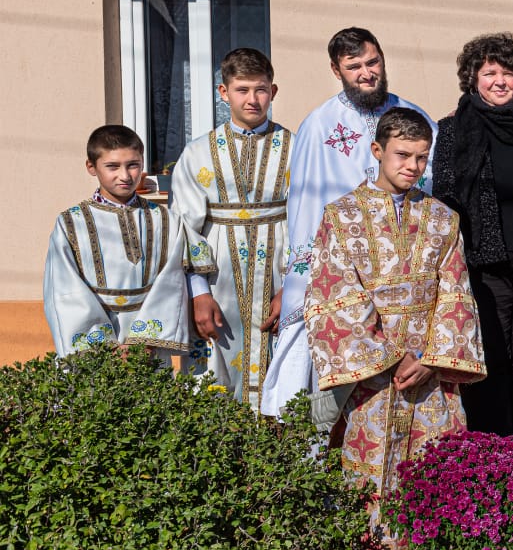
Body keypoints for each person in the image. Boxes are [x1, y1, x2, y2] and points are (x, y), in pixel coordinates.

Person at [305, 107, 485, 550]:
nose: (412, 166)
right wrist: (388, 355)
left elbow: (456, 293)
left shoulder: (442, 217)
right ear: (377, 151)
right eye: (403, 155)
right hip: (373, 377)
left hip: (430, 367)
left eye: (421, 157)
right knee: (372, 470)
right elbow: (334, 296)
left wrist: (431, 358)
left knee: (431, 463)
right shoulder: (341, 216)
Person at [267, 27, 435, 422]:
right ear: (336, 69)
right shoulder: (319, 126)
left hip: (402, 273)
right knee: (331, 390)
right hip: (340, 275)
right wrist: (300, 280)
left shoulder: (413, 117)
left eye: (372, 62)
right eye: (354, 65)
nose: (366, 73)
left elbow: (431, 195)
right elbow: (305, 208)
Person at [432, 33, 513, 437]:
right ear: (472, 78)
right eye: (489, 72)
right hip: (483, 262)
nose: (500, 81)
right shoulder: (453, 129)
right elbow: (446, 194)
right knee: (488, 357)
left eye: (508, 72)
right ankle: (486, 450)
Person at [172, 48, 292, 409]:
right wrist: (198, 292)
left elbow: (312, 222)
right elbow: (184, 227)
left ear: (273, 90)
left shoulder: (298, 147)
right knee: (214, 372)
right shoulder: (197, 153)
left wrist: (295, 285)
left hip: (280, 275)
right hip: (217, 281)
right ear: (223, 93)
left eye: (260, 89)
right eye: (242, 90)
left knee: (283, 373)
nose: (252, 99)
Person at [45, 124, 192, 364]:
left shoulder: (166, 220)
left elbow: (172, 282)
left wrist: (144, 342)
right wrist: (104, 346)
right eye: (112, 166)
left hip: (148, 346)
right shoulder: (71, 223)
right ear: (91, 167)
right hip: (95, 349)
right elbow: (63, 290)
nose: (125, 176)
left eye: (133, 165)